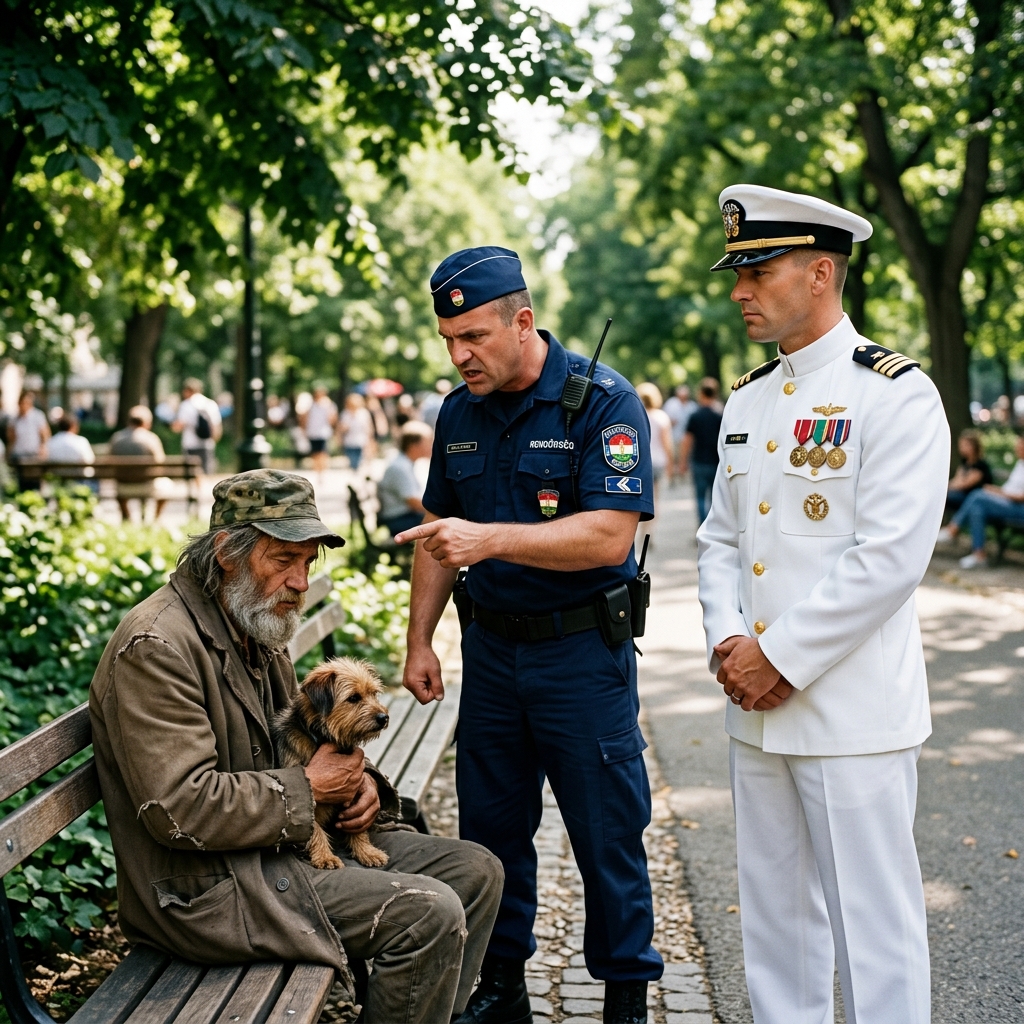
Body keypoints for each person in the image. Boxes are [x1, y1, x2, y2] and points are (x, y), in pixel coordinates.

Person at [89, 470, 503, 1024]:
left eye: (307, 563)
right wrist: (308, 790)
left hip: (283, 848)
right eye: (283, 560)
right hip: (210, 889)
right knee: (427, 914)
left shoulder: (253, 621)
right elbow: (179, 808)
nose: (300, 581)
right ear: (226, 553)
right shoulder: (157, 648)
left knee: (477, 871)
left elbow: (314, 736)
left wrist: (365, 791)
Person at [697, 185, 948, 1024]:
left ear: (820, 271)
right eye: (737, 271)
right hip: (756, 710)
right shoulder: (748, 397)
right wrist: (732, 642)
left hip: (849, 715)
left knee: (873, 933)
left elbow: (889, 557)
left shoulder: (895, 394)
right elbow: (720, 541)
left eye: (757, 270)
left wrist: (778, 658)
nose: (739, 289)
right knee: (776, 929)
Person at [395, 246, 663, 1024]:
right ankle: (501, 985)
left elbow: (610, 537)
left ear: (523, 321)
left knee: (607, 835)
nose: (459, 354)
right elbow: (439, 535)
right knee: (490, 834)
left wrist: (492, 541)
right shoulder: (457, 412)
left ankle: (624, 1000)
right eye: (448, 338)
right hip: (493, 654)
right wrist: (420, 641)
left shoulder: (603, 403)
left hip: (581, 654)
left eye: (474, 336)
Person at [937, 433, 1024, 568]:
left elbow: (1021, 497)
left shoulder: (980, 465)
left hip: (1018, 508)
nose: (1017, 448)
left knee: (977, 495)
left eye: (1020, 445)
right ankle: (979, 554)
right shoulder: (1020, 464)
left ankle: (953, 529)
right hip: (1008, 502)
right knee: (977, 508)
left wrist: (999, 493)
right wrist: (997, 491)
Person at [109, 405, 170, 522]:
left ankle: (126, 516)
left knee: (120, 485)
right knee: (167, 485)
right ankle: (155, 519)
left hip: (123, 486)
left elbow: (110, 460)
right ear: (146, 422)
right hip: (146, 486)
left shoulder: (116, 438)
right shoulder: (151, 438)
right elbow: (160, 463)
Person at [635, 383, 672, 555]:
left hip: (641, 463)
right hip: (658, 463)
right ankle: (650, 534)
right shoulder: (661, 417)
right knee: (655, 501)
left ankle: (638, 532)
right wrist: (671, 463)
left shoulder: (635, 415)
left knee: (638, 501)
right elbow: (667, 444)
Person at [378, 421, 432, 537]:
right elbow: (414, 504)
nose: (432, 445)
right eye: (428, 441)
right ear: (414, 445)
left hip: (404, 516)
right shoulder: (400, 468)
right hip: (399, 520)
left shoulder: (406, 464)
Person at [680, 379, 722, 523]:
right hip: (716, 462)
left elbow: (687, 441)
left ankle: (702, 526)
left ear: (701, 394)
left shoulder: (695, 416)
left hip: (699, 461)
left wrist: (683, 461)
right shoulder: (720, 416)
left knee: (700, 496)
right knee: (714, 498)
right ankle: (712, 527)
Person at [172, 378, 222, 475]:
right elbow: (216, 426)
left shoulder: (186, 405)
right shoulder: (210, 403)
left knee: (193, 472)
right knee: (206, 470)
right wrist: (214, 439)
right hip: (207, 443)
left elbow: (178, 426)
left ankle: (198, 489)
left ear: (188, 390)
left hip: (190, 443)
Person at [8, 390, 50, 489]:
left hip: (34, 454)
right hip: (19, 454)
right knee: (20, 483)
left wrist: (43, 447)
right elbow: (11, 437)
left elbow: (45, 434)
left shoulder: (37, 416)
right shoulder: (14, 418)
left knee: (35, 482)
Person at [945, 428, 992, 513]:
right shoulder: (965, 463)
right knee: (942, 495)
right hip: (963, 495)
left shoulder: (980, 465)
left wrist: (947, 487)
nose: (962, 448)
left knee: (944, 496)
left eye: (965, 445)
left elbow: (965, 484)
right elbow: (956, 480)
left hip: (974, 498)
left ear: (974, 446)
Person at [48, 414, 96, 490]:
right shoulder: (81, 441)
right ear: (73, 426)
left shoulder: (51, 442)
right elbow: (89, 460)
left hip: (57, 480)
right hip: (78, 480)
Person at [301, 385, 338, 474]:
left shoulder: (329, 405)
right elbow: (305, 418)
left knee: (322, 452)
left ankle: (322, 470)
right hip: (313, 432)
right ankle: (317, 470)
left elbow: (333, 419)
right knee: (315, 453)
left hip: (323, 432)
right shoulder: (310, 405)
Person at [663, 384, 697, 465]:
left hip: (686, 439)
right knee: (673, 459)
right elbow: (664, 420)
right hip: (673, 437)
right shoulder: (671, 404)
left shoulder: (692, 406)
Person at [338, 392, 373, 470]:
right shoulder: (345, 414)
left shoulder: (364, 413)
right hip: (349, 441)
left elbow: (368, 427)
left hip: (361, 441)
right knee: (352, 461)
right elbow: (341, 428)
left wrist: (369, 440)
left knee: (360, 461)